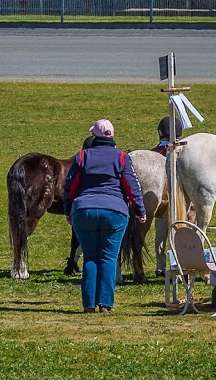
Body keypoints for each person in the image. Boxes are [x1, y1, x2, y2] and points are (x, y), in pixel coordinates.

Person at [64, 119, 146, 313]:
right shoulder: (122, 158)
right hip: (115, 211)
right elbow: (132, 186)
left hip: (84, 210)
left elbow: (69, 187)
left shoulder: (82, 157)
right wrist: (140, 210)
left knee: (90, 257)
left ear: (94, 136)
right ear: (112, 136)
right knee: (108, 258)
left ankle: (89, 305)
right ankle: (106, 305)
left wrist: (68, 211)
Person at [151, 115, 183, 277]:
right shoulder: (183, 151)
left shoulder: (155, 152)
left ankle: (160, 265)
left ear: (160, 132)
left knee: (160, 234)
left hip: (160, 198)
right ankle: (177, 263)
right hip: (180, 198)